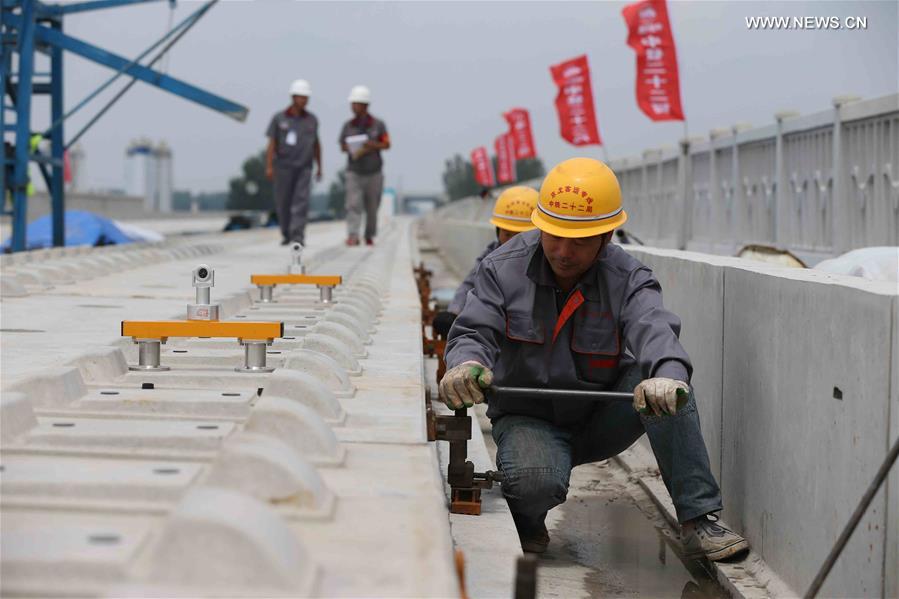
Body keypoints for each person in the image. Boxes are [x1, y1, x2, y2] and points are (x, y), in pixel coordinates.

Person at [439, 157, 749, 561]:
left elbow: (655, 329)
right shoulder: (503, 270)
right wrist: (464, 364)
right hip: (529, 418)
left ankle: (698, 518)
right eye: (554, 237)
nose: (563, 252)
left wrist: (669, 376)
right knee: (534, 483)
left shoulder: (628, 278)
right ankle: (528, 515)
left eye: (579, 241)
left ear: (607, 236)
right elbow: (474, 330)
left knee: (662, 384)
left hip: (600, 415)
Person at [432, 186, 538, 338]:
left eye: (520, 236)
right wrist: (453, 312)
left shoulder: (546, 265)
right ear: (497, 231)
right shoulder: (491, 257)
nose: (512, 244)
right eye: (507, 234)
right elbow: (471, 283)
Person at [265, 79, 322, 246]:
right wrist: (268, 166)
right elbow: (271, 144)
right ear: (293, 97)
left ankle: (298, 235)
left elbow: (317, 144)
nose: (303, 100)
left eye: (306, 97)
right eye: (300, 97)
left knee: (301, 202)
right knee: (284, 202)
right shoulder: (279, 118)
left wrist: (320, 166)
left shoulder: (312, 120)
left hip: (304, 167)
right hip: (283, 167)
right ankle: (286, 233)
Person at [339, 85, 390, 246]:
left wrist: (370, 145)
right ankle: (353, 235)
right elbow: (342, 145)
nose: (354, 107)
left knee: (372, 206)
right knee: (353, 204)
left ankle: (369, 235)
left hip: (374, 172)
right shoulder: (348, 126)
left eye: (357, 103)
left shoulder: (378, 125)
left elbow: (387, 144)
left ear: (365, 105)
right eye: (352, 103)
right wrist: (352, 148)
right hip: (354, 171)